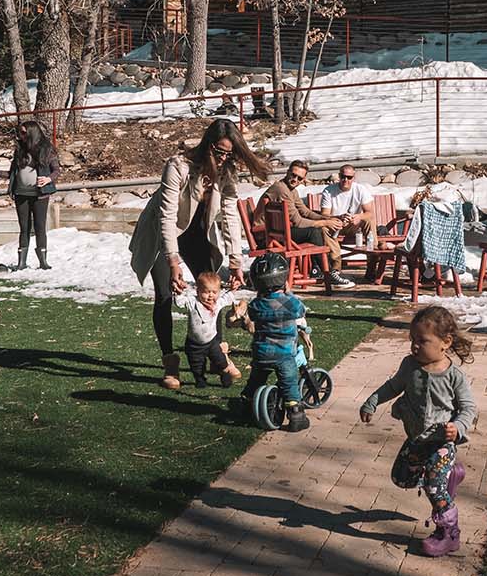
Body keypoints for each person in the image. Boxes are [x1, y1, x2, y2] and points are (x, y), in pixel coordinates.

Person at [129, 118, 269, 389]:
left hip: (196, 234)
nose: (224, 157)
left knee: (212, 290)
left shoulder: (227, 171)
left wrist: (235, 261)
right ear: (208, 144)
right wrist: (173, 261)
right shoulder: (178, 166)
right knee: (166, 295)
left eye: (230, 153)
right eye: (220, 151)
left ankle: (217, 356)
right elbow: (166, 216)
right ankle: (170, 361)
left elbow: (230, 214)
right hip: (162, 233)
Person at [359, 305, 478, 557]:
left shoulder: (454, 376)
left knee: (434, 488)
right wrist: (372, 401)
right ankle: (451, 476)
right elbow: (392, 386)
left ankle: (448, 532)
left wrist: (458, 427)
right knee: (402, 478)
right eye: (412, 340)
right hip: (417, 438)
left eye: (422, 341)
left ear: (445, 342)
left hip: (441, 443)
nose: (414, 346)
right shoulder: (409, 366)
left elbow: (468, 408)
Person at [258, 160, 356, 289]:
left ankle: (318, 270)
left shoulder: (291, 190)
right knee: (313, 231)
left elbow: (305, 212)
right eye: (293, 175)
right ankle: (327, 272)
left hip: (276, 232)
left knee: (314, 229)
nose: (295, 179)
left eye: (299, 178)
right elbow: (299, 221)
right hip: (267, 236)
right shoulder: (281, 190)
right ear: (287, 172)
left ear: (303, 179)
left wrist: (331, 218)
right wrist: (325, 222)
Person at [242, 252, 311, 432]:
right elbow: (301, 310)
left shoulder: (256, 305)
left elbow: (252, 313)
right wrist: (289, 293)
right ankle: (296, 416)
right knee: (289, 383)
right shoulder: (290, 303)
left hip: (261, 353)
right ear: (283, 279)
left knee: (257, 378)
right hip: (284, 353)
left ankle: (247, 402)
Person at [9, 120, 60, 270]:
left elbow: (56, 170)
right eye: (20, 132)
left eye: (24, 132)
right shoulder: (20, 150)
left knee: (39, 226)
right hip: (21, 194)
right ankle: (21, 262)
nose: (21, 135)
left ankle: (43, 261)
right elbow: (12, 173)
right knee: (24, 227)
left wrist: (48, 178)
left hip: (39, 195)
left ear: (32, 132)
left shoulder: (46, 149)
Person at [182, 271, 241, 387]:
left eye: (214, 292)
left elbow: (227, 298)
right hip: (194, 344)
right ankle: (200, 380)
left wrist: (233, 290)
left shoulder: (217, 303)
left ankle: (225, 374)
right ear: (197, 291)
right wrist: (178, 292)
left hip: (211, 342)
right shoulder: (193, 303)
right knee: (197, 365)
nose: (210, 295)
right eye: (206, 292)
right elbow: (179, 302)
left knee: (221, 361)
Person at [320, 164, 377, 243]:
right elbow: (324, 215)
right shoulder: (328, 191)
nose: (346, 180)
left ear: (354, 178)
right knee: (323, 228)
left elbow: (370, 213)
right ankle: (333, 255)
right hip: (336, 225)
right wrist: (339, 217)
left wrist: (359, 217)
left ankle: (373, 251)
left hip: (353, 226)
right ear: (339, 176)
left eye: (349, 177)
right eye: (343, 177)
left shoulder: (361, 189)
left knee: (369, 221)